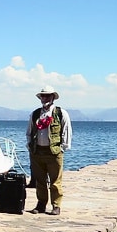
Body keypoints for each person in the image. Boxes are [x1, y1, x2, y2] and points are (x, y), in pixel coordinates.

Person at [26, 85, 72, 215]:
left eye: (47, 95)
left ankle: (56, 205)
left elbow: (66, 131)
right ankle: (41, 204)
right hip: (37, 152)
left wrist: (62, 148)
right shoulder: (35, 114)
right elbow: (29, 131)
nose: (44, 98)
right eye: (42, 96)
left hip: (54, 152)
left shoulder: (60, 113)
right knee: (40, 181)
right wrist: (30, 146)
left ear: (53, 97)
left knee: (55, 180)